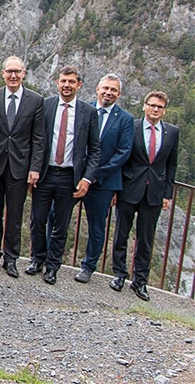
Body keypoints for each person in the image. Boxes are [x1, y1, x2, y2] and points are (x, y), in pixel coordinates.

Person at [27, 65, 100, 285]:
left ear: (79, 85)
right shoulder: (46, 105)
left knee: (60, 224)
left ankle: (52, 266)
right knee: (37, 219)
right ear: (57, 83)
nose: (66, 85)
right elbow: (35, 140)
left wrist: (86, 178)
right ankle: (37, 259)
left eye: (71, 82)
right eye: (63, 81)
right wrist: (33, 169)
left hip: (70, 177)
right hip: (45, 174)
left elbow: (95, 149)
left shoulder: (88, 112)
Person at [0, 56, 44, 278]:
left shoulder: (35, 100)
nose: (13, 75)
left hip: (20, 167)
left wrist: (35, 168)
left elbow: (38, 138)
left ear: (23, 73)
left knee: (14, 216)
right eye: (9, 72)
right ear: (3, 73)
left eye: (17, 71)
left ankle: (11, 258)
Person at [110, 91, 178, 301]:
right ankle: (119, 275)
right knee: (121, 234)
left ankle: (140, 281)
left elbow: (171, 165)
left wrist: (167, 194)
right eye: (152, 105)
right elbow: (121, 158)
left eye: (159, 107)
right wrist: (115, 189)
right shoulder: (132, 126)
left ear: (164, 110)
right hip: (128, 189)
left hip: (154, 194)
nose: (155, 109)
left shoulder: (172, 132)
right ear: (144, 106)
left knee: (146, 240)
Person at [74, 74, 133, 284]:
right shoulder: (83, 109)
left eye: (113, 90)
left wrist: (93, 175)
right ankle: (47, 259)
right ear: (97, 89)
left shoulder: (125, 119)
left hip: (104, 182)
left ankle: (88, 267)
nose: (109, 92)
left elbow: (123, 153)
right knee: (56, 216)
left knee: (97, 227)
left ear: (119, 94)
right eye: (105, 88)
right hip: (75, 178)